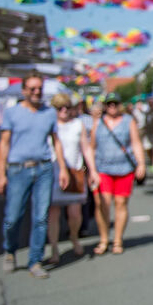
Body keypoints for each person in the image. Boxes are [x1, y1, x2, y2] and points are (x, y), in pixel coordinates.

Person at [0, 74, 69, 279]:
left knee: (40, 217)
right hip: (18, 169)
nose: (37, 92)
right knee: (12, 217)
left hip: (44, 169)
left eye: (39, 89)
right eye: (32, 89)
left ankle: (35, 260)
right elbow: (4, 143)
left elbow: (56, 141)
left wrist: (62, 168)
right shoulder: (12, 113)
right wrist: (0, 173)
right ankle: (10, 250)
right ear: (24, 90)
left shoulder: (49, 113)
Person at [90, 93, 146, 255]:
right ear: (105, 106)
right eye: (109, 104)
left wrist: (141, 163)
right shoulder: (98, 123)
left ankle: (118, 240)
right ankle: (103, 238)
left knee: (121, 203)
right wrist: (91, 170)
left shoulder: (128, 121)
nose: (112, 107)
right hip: (103, 169)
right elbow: (91, 148)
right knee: (103, 203)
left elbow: (135, 143)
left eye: (115, 103)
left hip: (124, 169)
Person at [47, 93, 99, 264]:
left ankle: (74, 236)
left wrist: (92, 170)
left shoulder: (78, 124)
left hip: (74, 172)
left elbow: (86, 148)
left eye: (67, 107)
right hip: (52, 173)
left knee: (75, 213)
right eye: (59, 108)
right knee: (53, 214)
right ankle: (54, 247)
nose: (64, 111)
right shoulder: (49, 125)